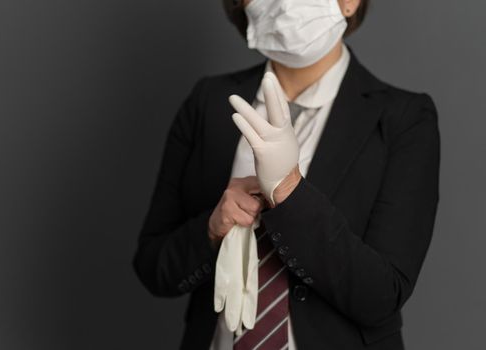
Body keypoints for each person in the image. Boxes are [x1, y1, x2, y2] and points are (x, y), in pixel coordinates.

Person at [133, 0, 440, 349]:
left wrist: (290, 193)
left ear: (350, 2)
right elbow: (153, 267)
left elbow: (383, 295)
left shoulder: (404, 119)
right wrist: (212, 229)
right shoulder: (208, 102)